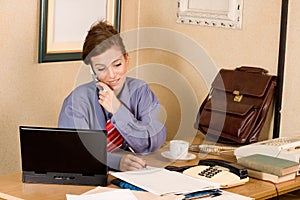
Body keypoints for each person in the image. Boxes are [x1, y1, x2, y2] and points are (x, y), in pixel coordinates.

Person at [58, 20, 166, 171]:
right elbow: (77, 153)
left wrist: (118, 111)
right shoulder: (77, 102)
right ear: (92, 71)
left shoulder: (141, 91)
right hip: (91, 181)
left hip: (138, 176)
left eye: (117, 65)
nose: (112, 75)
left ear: (126, 59)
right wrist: (116, 162)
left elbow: (152, 142)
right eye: (101, 68)